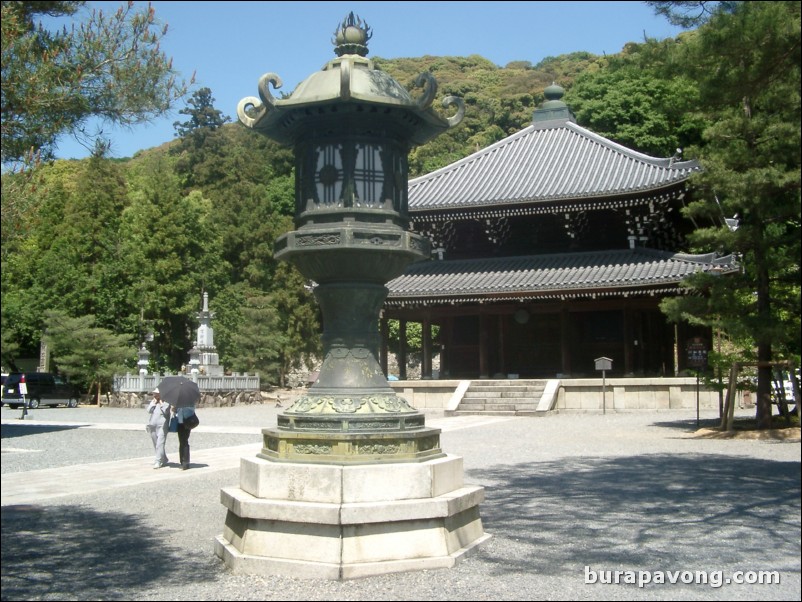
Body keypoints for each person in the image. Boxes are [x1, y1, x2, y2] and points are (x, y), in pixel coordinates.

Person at [146, 387, 171, 468]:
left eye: (157, 394)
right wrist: (154, 403)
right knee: (156, 443)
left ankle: (158, 461)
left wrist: (161, 403)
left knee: (160, 443)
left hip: (162, 426)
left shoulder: (166, 402)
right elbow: (149, 410)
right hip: (152, 425)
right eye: (154, 394)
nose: (155, 395)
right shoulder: (154, 401)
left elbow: (166, 411)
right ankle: (164, 458)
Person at [173, 405, 197, 470]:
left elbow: (191, 410)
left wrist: (182, 406)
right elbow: (177, 412)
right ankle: (182, 461)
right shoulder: (179, 402)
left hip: (187, 421)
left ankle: (186, 462)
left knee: (184, 441)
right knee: (181, 441)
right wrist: (175, 409)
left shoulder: (190, 402)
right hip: (180, 422)